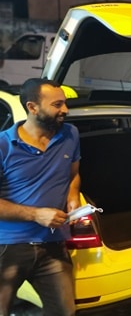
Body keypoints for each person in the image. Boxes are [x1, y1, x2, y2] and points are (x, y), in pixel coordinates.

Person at [0, 78, 81, 316]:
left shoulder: (70, 134)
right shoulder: (4, 146)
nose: (65, 110)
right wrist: (36, 214)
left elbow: (73, 174)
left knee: (64, 312)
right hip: (8, 245)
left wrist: (73, 197)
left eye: (65, 104)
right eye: (57, 105)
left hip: (53, 243)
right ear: (32, 107)